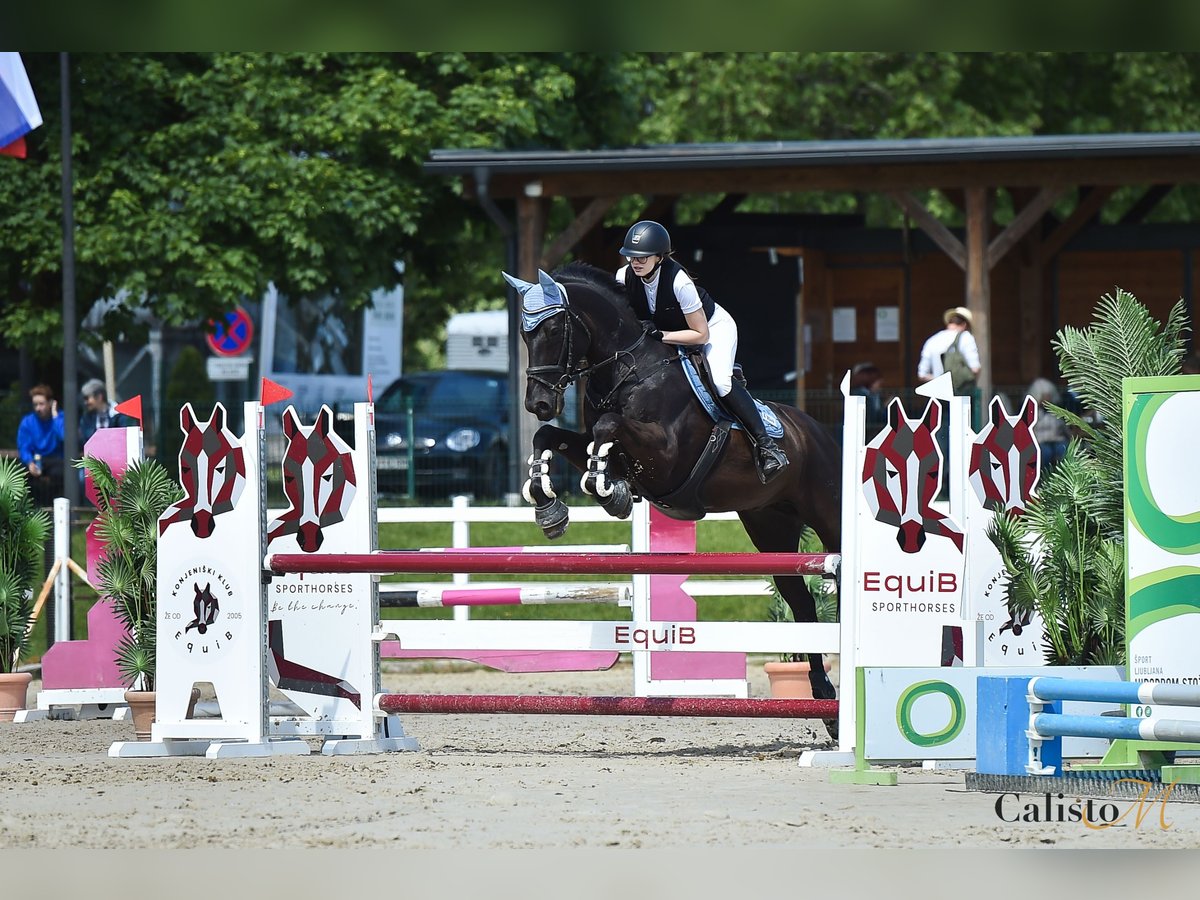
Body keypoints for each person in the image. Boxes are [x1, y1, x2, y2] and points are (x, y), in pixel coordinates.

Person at [615, 220, 788, 483]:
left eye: (642, 257)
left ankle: (767, 446)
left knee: (719, 382)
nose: (635, 262)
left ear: (660, 256)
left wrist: (662, 335)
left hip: (710, 329)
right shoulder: (623, 277)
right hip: (669, 332)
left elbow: (700, 334)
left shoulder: (679, 282)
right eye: (631, 257)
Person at [16, 383, 65, 503]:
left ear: (50, 403)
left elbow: (64, 437)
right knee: (22, 474)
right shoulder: (27, 422)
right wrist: (29, 462)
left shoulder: (60, 418)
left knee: (59, 475)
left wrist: (55, 417)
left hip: (56, 461)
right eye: (35, 404)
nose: (38, 408)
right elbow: (24, 446)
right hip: (36, 461)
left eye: (41, 404)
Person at [917, 306, 981, 392]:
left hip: (939, 393)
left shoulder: (932, 341)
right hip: (961, 393)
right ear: (965, 325)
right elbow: (975, 368)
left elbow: (922, 374)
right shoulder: (966, 337)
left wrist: (940, 380)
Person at [1027, 376, 1070, 470]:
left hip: (1057, 440)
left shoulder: (1055, 411)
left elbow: (1062, 426)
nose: (1047, 398)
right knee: (1046, 453)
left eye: (1049, 395)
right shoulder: (1034, 413)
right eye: (1044, 395)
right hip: (1042, 441)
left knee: (1066, 450)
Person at [79, 378, 133, 446]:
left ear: (99, 397)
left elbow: (125, 437)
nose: (85, 402)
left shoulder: (118, 414)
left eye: (87, 398)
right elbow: (85, 439)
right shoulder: (87, 418)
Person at [849, 362, 887, 434]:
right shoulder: (859, 395)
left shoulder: (875, 395)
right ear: (870, 381)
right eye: (878, 382)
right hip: (863, 432)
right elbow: (871, 418)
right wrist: (884, 406)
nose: (881, 384)